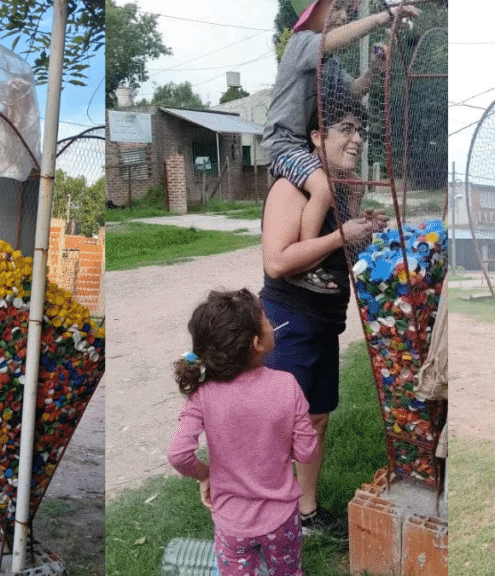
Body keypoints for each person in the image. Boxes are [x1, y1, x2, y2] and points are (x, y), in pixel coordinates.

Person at [260, 93, 386, 538]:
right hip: (288, 323)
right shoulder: (291, 189)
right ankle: (264, 515)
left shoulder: (340, 189)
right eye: (346, 129)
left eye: (360, 131)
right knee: (280, 424)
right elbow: (278, 261)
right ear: (317, 136)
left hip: (324, 325)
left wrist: (362, 231)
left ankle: (306, 511)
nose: (357, 139)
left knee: (316, 418)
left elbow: (334, 253)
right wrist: (340, 237)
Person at [263, 0, 416, 294]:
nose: (344, 16)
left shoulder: (329, 65)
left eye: (348, 10)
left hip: (303, 148)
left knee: (355, 186)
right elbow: (329, 41)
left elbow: (354, 91)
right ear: (312, 10)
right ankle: (307, 266)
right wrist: (383, 17)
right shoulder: (300, 43)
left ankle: (347, 238)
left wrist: (375, 70)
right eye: (337, 8)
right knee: (323, 188)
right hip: (285, 145)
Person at [167, 288, 319, 576]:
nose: (272, 324)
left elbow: (178, 455)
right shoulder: (287, 385)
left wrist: (205, 475)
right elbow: (307, 452)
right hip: (282, 519)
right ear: (256, 343)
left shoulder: (202, 394)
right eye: (267, 320)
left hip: (231, 523)